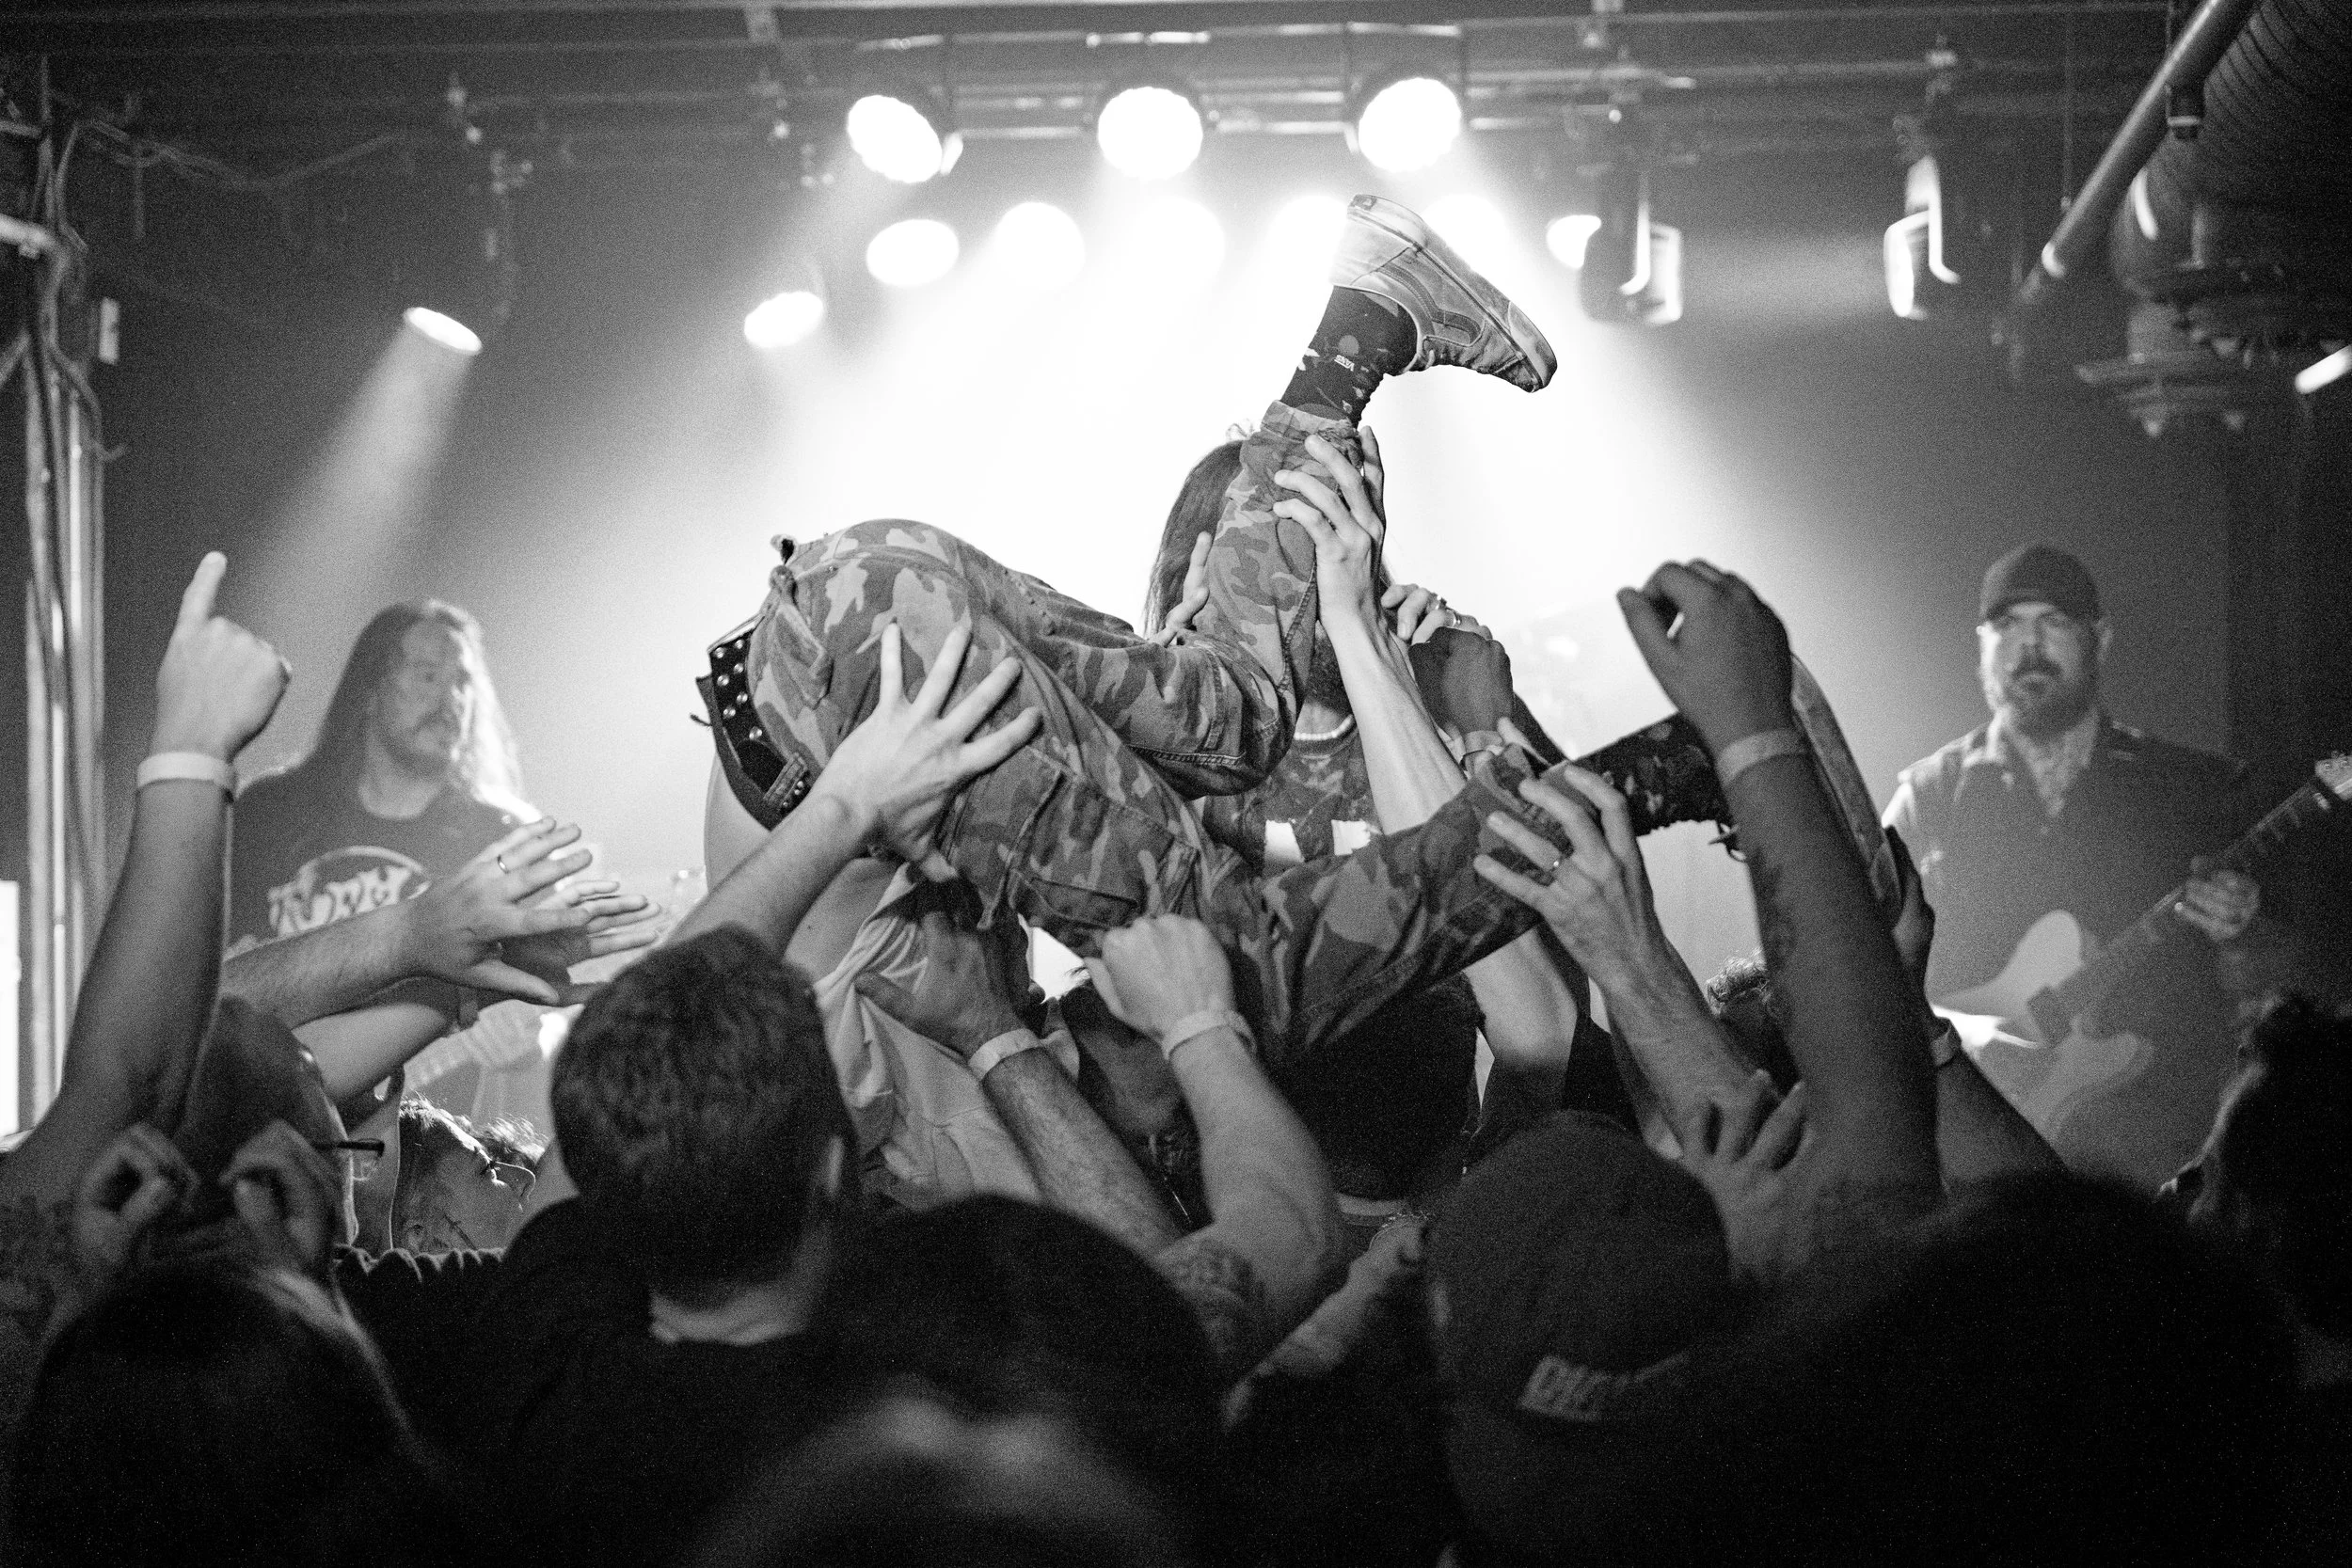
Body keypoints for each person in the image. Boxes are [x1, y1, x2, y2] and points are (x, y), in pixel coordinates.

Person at [700, 195, 1569, 1066]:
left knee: (1229, 855)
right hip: (861, 607)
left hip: (847, 656)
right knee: (1232, 851)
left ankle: (1366, 327)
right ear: (1189, 568)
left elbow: (1542, 1030)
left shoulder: (796, 1090)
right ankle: (1364, 324)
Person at [1884, 543, 2284, 1187]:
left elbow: (2279, 987)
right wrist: (1962, 1039)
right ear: (1981, 645)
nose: (2029, 645)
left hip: (2156, 1157)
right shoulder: (1929, 796)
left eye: (2055, 622)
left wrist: (2242, 934)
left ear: (2100, 638)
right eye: (2008, 625)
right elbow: (1867, 967)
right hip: (1976, 1154)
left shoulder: (2188, 788)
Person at [230, 599, 532, 950]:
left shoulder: (502, 840)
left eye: (463, 683)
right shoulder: (268, 814)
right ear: (370, 689)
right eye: (428, 675)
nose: (451, 699)